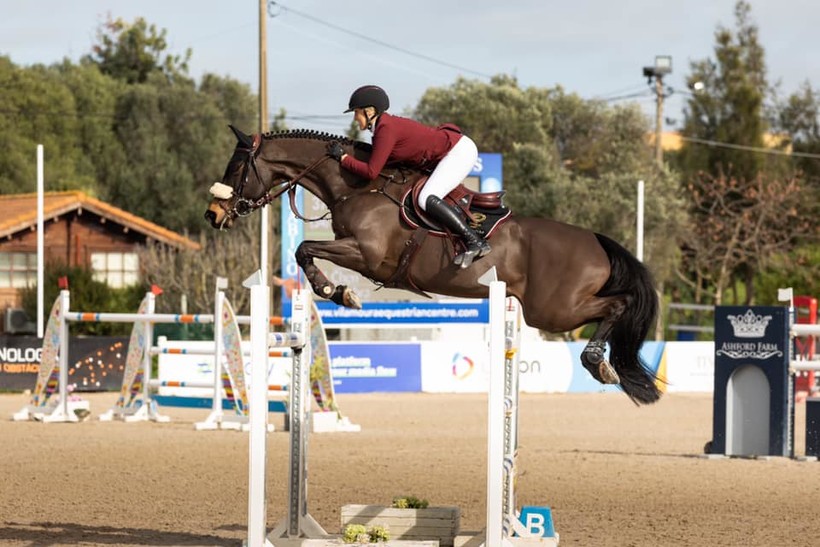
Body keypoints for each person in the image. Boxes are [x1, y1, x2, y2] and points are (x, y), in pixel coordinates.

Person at [327, 84, 491, 269]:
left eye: (356, 113)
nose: (355, 118)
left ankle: (474, 241)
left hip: (458, 152)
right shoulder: (383, 127)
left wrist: (343, 158)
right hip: (449, 152)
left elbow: (371, 172)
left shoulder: (386, 128)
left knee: (426, 198)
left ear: (370, 111)